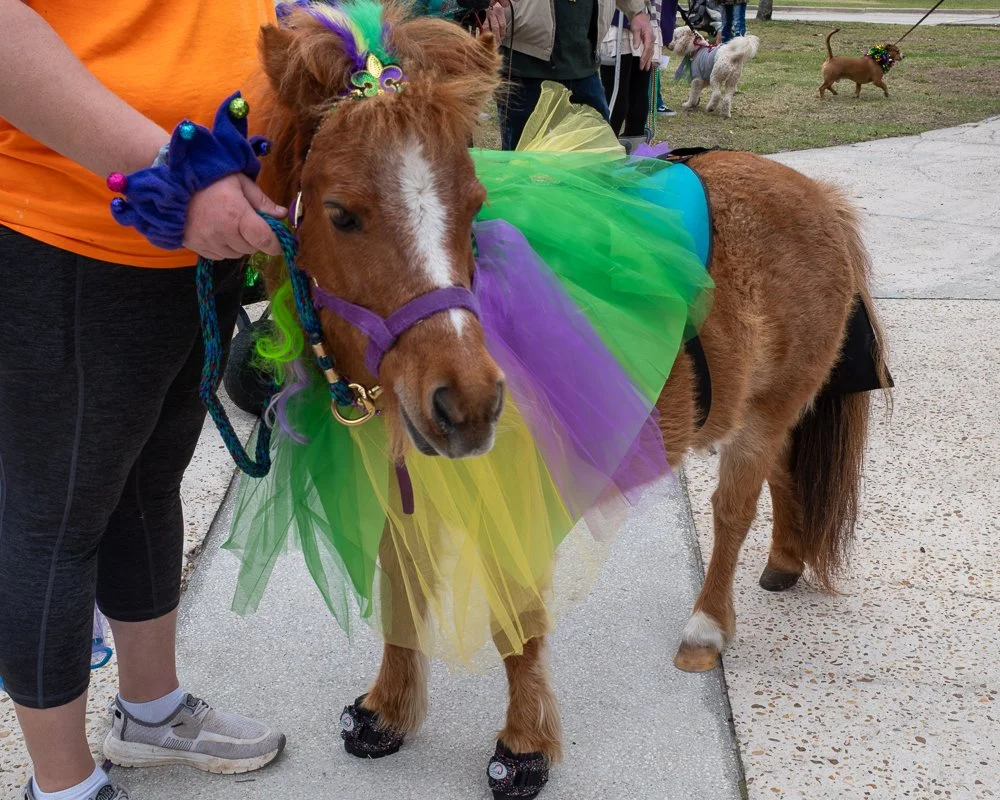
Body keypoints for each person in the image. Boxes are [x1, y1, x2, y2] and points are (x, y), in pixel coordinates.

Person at [0, 1, 289, 799]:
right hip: (76, 233)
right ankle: (61, 787)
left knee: (146, 486)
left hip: (205, 231)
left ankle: (150, 711)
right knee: (52, 523)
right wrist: (174, 172)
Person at [494, 0, 656, 150]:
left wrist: (637, 11)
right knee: (523, 167)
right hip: (525, 65)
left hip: (585, 65)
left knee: (596, 165)